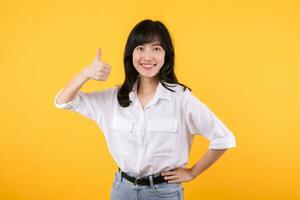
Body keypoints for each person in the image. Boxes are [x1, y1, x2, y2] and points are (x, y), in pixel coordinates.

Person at [54, 19, 236, 200]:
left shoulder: (181, 99)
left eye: (156, 48)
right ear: (130, 54)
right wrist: (85, 74)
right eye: (140, 48)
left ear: (166, 55)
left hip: (163, 193)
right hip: (121, 190)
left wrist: (193, 172)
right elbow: (63, 102)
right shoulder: (114, 98)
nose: (147, 57)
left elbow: (224, 138)